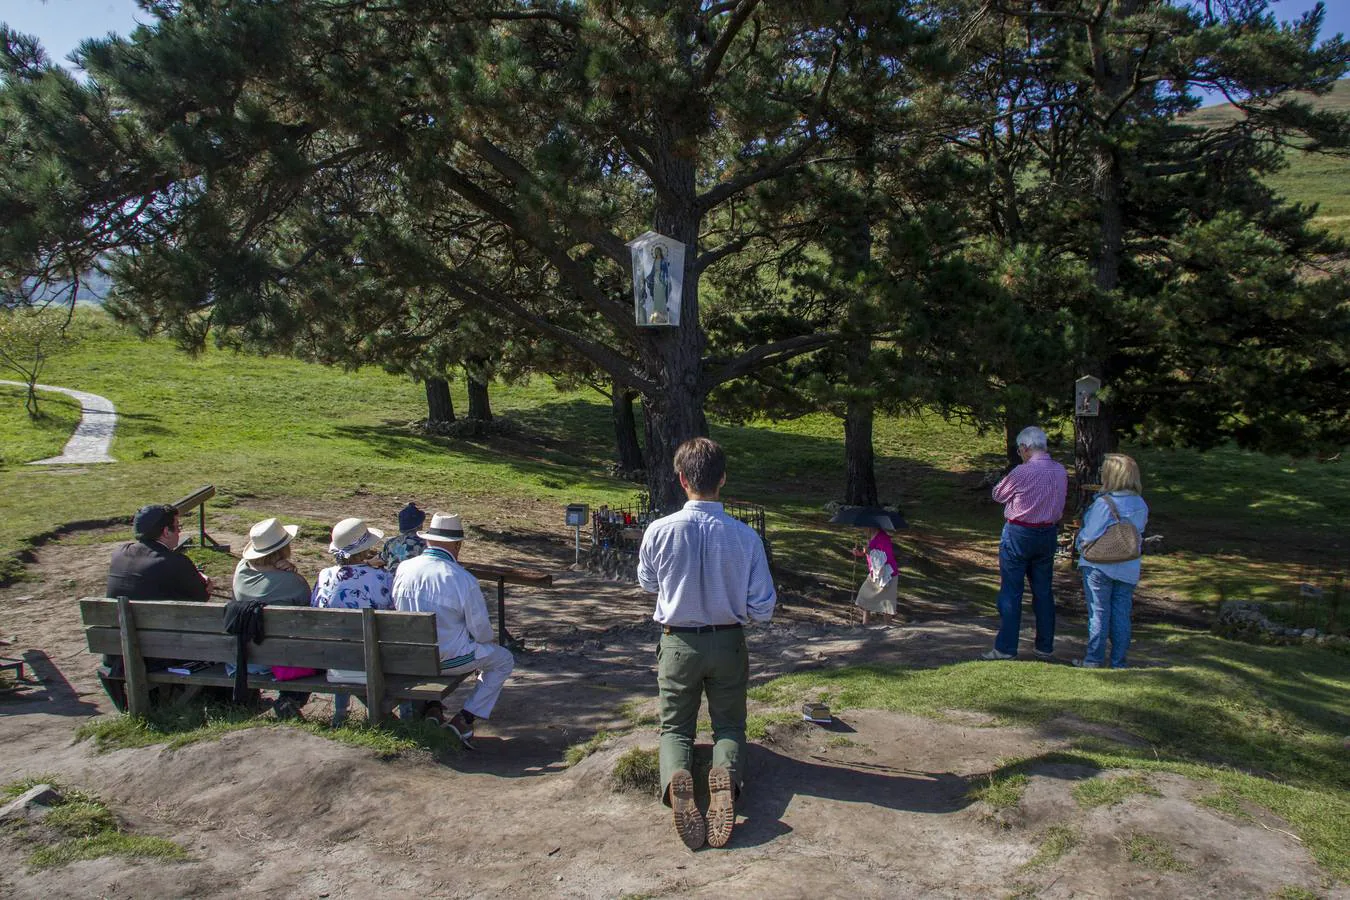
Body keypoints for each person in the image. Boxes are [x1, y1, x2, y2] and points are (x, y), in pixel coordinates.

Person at [637, 437, 776, 850]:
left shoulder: (659, 531)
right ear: (723, 479)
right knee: (730, 724)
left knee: (676, 726)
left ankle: (678, 778)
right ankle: (726, 780)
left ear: (682, 479)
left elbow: (646, 582)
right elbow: (763, 605)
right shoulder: (745, 537)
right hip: (728, 639)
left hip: (678, 641)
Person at [392, 512, 514, 747]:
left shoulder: (404, 569)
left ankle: (432, 708)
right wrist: (485, 643)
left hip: (410, 658)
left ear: (427, 540)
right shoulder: (462, 579)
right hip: (447, 659)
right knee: (503, 660)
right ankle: (465, 718)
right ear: (457, 545)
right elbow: (481, 631)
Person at [101, 504, 212, 709]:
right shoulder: (174, 562)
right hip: (159, 654)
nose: (179, 531)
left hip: (117, 652)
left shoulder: (118, 554)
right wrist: (204, 581)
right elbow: (201, 597)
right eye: (177, 527)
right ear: (165, 531)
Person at [982, 426, 1068, 661]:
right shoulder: (1060, 471)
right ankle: (1044, 646)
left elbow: (998, 495)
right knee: (1043, 591)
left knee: (1011, 590)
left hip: (1020, 531)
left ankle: (1006, 647)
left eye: (1020, 448)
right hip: (1048, 532)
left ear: (1026, 448)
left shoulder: (1022, 472)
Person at [311, 517, 394, 724]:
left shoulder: (324, 576)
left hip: (333, 657)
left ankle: (340, 713)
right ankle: (396, 716)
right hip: (374, 659)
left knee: (344, 639)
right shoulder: (381, 577)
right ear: (366, 548)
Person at [232, 517, 312, 718]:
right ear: (284, 549)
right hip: (281, 660)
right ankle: (290, 698)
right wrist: (291, 572)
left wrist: (274, 564)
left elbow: (250, 564)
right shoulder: (293, 583)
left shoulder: (240, 573)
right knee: (315, 650)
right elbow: (308, 614)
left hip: (245, 657)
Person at [1075, 454, 1149, 669]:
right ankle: (1119, 661)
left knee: (1098, 611)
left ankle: (1094, 658)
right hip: (1128, 564)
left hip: (1099, 564)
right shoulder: (1140, 503)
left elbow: (1090, 534)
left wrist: (1080, 545)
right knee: (1121, 613)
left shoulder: (1105, 503)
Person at [853, 525, 900, 626]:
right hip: (875, 574)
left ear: (871, 526)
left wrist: (869, 551)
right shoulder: (872, 537)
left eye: (864, 526)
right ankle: (865, 625)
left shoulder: (883, 538)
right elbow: (872, 555)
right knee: (864, 597)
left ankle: (888, 627)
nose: (863, 529)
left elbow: (885, 556)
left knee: (887, 604)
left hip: (888, 575)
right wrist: (861, 553)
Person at [380, 502, 427, 573]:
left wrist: (367, 562)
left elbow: (381, 560)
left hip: (391, 582)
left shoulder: (390, 542)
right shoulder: (424, 544)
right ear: (420, 525)